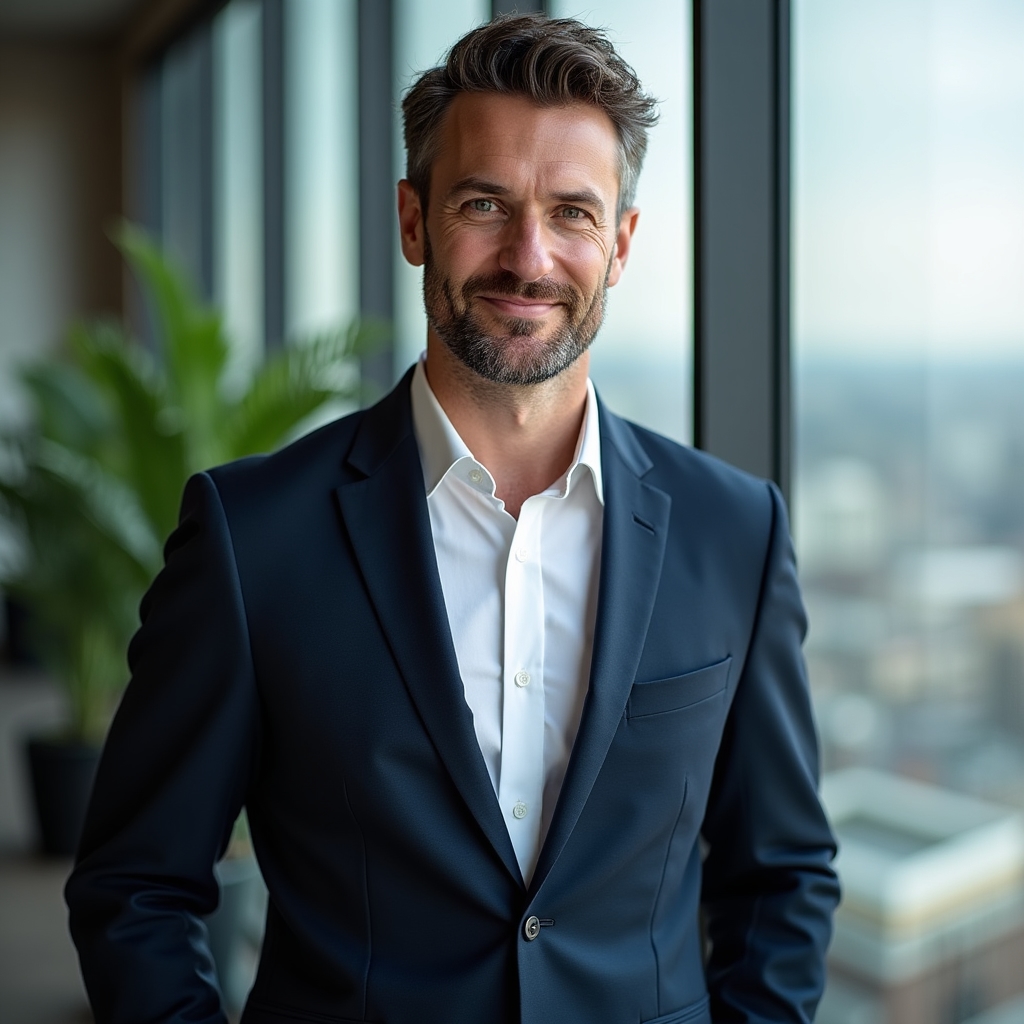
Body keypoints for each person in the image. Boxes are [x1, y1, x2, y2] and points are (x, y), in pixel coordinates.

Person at [66, 14, 839, 1024]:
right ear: (413, 220)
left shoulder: (734, 532)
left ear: (620, 245)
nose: (529, 256)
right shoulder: (252, 538)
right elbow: (135, 885)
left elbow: (782, 877)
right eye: (485, 204)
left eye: (572, 213)